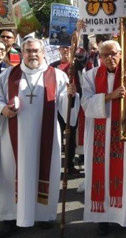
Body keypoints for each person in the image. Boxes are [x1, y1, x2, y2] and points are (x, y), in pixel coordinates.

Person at [0, 38, 79, 237]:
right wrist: (2, 109)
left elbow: (66, 105)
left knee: (44, 171)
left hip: (45, 137)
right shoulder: (9, 75)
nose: (32, 54)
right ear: (22, 53)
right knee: (11, 176)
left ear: (44, 53)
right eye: (28, 51)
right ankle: (11, 218)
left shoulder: (58, 75)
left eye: (36, 50)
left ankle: (43, 215)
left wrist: (71, 96)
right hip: (12, 139)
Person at [81, 40, 126, 236]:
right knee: (102, 175)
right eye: (105, 55)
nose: (110, 58)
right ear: (99, 57)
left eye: (114, 53)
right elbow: (85, 102)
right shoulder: (90, 76)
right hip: (100, 133)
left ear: (121, 54)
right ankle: (103, 219)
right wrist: (110, 96)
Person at [50, 46, 81, 175]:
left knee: (71, 136)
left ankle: (70, 165)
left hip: (73, 104)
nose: (65, 50)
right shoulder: (53, 66)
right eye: (63, 48)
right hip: (57, 105)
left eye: (68, 48)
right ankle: (54, 165)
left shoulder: (78, 65)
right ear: (59, 50)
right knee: (56, 136)